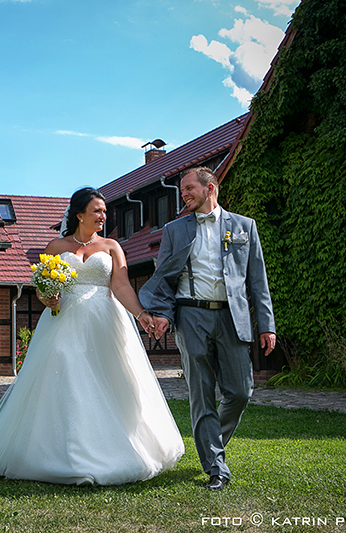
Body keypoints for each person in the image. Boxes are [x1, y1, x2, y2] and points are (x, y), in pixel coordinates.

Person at [0, 187, 184, 485]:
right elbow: (42, 285)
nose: (103, 216)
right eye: (97, 211)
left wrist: (141, 314)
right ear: (79, 214)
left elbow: (122, 286)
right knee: (66, 376)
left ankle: (121, 447)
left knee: (113, 379)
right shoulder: (55, 245)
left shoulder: (112, 246)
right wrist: (46, 297)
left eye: (104, 211)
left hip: (106, 321)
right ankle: (58, 453)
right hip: (64, 320)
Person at [139, 167, 276, 491]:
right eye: (182, 190)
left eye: (188, 189)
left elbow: (258, 280)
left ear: (209, 187)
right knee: (201, 394)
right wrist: (163, 314)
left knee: (241, 392)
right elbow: (165, 280)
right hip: (191, 316)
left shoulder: (245, 227)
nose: (183, 194)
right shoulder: (175, 229)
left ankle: (212, 445)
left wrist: (267, 325)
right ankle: (216, 466)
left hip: (232, 317)